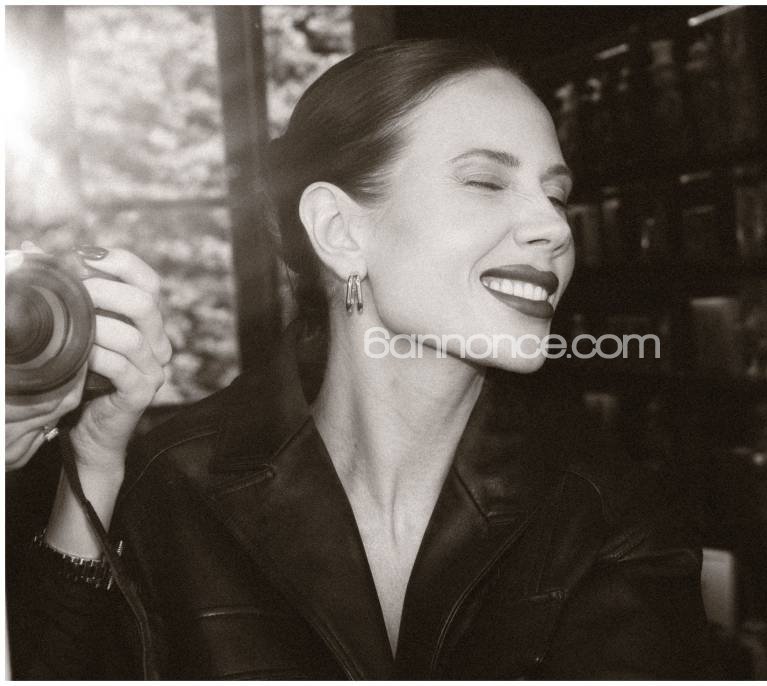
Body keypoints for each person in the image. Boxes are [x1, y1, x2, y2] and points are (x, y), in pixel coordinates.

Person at [6, 39, 710, 679]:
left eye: (556, 194)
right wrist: (92, 465)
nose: (554, 227)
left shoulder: (607, 511)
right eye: (486, 182)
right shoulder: (170, 484)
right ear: (340, 230)